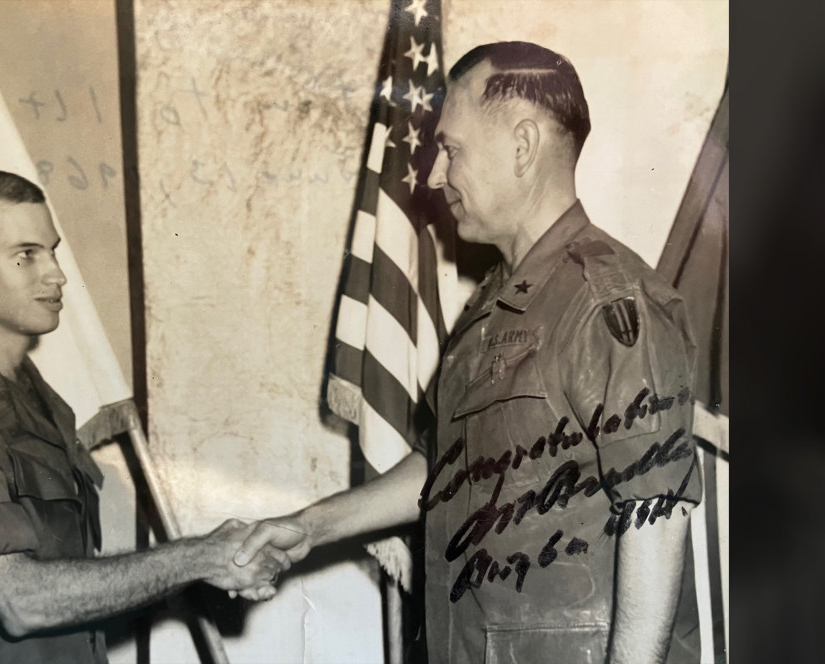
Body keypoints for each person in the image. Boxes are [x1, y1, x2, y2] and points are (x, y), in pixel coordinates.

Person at [234, 42, 702, 664]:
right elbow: (444, 466)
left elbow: (655, 511)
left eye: (452, 150)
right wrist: (309, 526)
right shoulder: (493, 304)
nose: (434, 176)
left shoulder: (608, 301)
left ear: (523, 145)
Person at [0, 169, 286, 664]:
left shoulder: (32, 392)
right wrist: (200, 557)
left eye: (52, 251)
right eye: (26, 255)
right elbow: (18, 601)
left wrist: (212, 560)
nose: (57, 274)